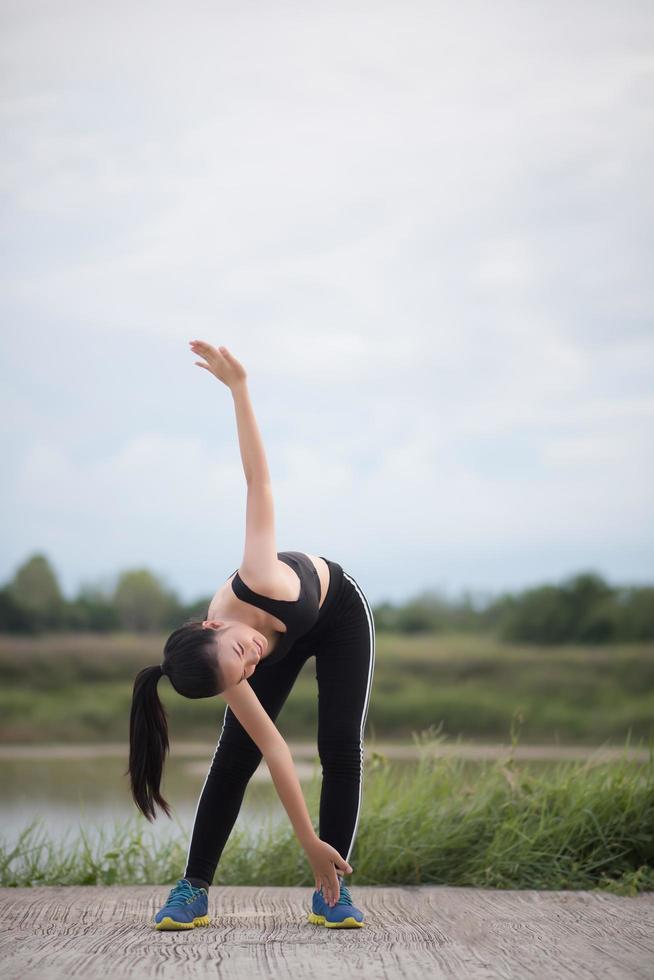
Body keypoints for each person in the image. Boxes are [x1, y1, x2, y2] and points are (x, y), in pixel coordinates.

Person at [126, 340, 376, 931]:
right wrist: (304, 836)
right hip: (282, 629)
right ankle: (193, 887)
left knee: (340, 745)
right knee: (234, 752)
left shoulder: (257, 577)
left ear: (214, 625)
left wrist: (239, 389)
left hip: (335, 612)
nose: (252, 660)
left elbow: (257, 480)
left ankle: (331, 889)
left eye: (241, 652)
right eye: (241, 672)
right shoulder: (227, 665)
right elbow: (275, 750)